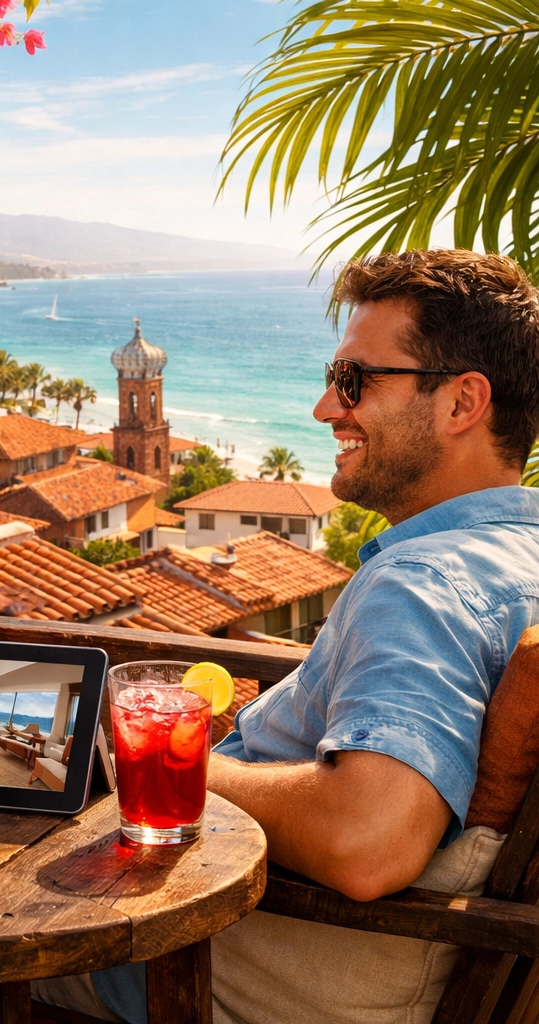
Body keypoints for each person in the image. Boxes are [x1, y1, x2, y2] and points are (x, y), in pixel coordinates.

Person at [33, 249, 539, 1024]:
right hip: (398, 970)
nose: (324, 409)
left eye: (353, 381)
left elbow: (369, 842)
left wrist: (155, 759)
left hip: (220, 966)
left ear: (463, 402)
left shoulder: (423, 586)